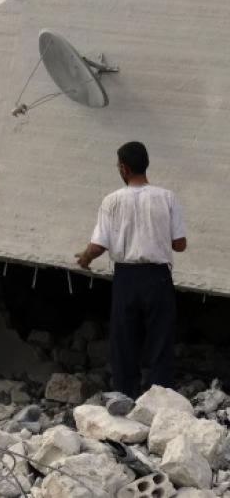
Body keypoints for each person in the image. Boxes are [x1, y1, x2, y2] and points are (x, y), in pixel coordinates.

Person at [75, 141, 187, 398]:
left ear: (123, 168)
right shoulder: (167, 197)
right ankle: (161, 401)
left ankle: (125, 398)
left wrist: (84, 259)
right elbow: (180, 245)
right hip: (158, 277)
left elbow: (98, 244)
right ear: (145, 164)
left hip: (126, 278)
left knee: (124, 341)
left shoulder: (112, 200)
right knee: (160, 340)